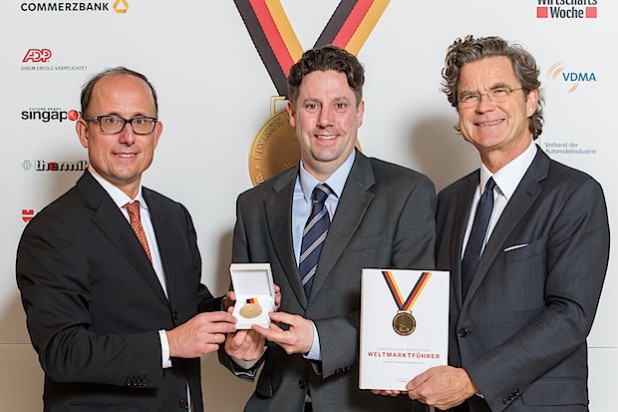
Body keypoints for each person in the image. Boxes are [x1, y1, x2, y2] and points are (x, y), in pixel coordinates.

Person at [219, 45, 436, 411]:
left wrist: (317, 339)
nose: (325, 121)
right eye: (311, 105)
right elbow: (245, 317)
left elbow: (413, 319)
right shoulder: (253, 205)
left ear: (359, 112)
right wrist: (242, 352)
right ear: (291, 113)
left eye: (339, 105)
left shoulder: (406, 193)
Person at [404, 36, 610, 411]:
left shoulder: (575, 194)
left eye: (499, 90)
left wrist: (471, 380)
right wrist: (399, 368)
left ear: (530, 100)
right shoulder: (448, 201)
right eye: (469, 96)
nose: (485, 107)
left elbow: (569, 316)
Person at [16, 67, 237, 412]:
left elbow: (182, 308)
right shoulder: (52, 231)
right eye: (111, 121)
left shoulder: (173, 216)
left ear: (156, 133)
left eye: (140, 122)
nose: (128, 136)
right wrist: (169, 345)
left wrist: (228, 312)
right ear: (84, 131)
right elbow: (62, 351)